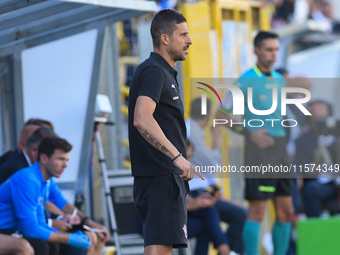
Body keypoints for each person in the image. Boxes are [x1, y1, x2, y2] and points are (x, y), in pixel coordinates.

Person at [128, 9, 204, 255]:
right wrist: (176, 157)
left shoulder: (163, 72)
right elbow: (142, 119)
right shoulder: (154, 70)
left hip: (161, 176)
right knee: (159, 249)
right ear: (164, 38)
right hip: (161, 175)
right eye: (183, 35)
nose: (189, 40)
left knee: (160, 248)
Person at [216, 31, 294, 255]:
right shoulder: (246, 80)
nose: (273, 54)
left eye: (276, 49)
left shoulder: (279, 79)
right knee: (258, 210)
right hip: (258, 152)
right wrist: (249, 133)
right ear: (256, 51)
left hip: (279, 152)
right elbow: (221, 115)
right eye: (268, 49)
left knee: (286, 211)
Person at [0, 127, 109, 255]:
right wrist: (69, 238)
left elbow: (41, 221)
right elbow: (29, 229)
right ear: (44, 158)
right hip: (4, 231)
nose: (66, 165)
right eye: (61, 159)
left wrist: (75, 228)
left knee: (52, 245)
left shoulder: (43, 180)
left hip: (13, 230)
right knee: (38, 247)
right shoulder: (28, 179)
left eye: (67, 160)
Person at [187, 98, 246, 254]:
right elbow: (213, 165)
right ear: (208, 116)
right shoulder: (191, 132)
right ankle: (226, 250)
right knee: (238, 214)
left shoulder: (190, 130)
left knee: (207, 220)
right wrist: (215, 138)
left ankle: (226, 249)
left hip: (195, 191)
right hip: (192, 192)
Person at [296, 99, 340, 217]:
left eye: (322, 108)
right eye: (314, 110)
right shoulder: (303, 139)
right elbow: (304, 169)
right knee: (311, 191)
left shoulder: (337, 132)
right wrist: (318, 164)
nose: (319, 112)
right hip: (323, 182)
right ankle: (316, 229)